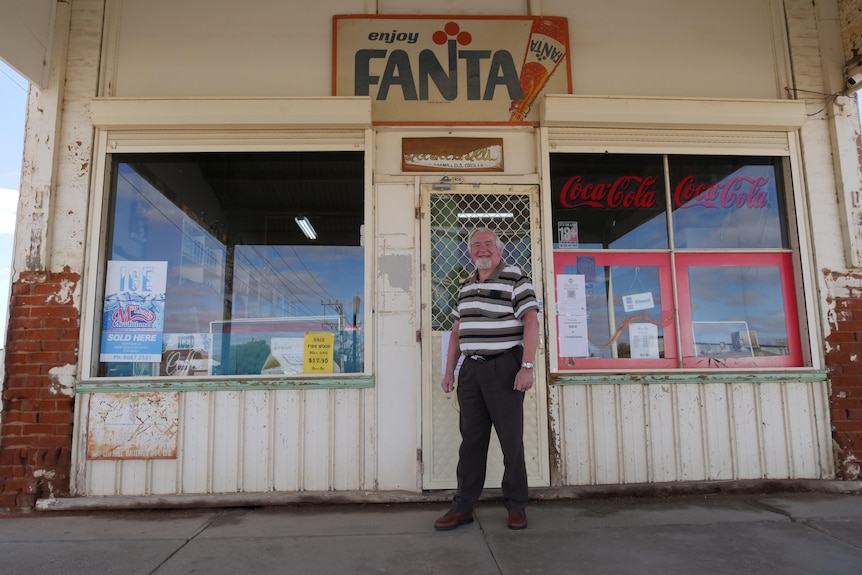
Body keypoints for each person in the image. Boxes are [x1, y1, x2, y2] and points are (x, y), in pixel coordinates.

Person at [434, 227, 540, 531]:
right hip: (471, 371)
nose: (482, 249)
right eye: (476, 245)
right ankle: (463, 507)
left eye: (488, 244)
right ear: (470, 252)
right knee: (471, 443)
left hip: (505, 368)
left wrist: (527, 366)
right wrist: (449, 372)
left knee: (511, 442)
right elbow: (457, 332)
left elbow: (531, 321)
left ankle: (516, 506)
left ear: (499, 250)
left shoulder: (517, 279)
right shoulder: (464, 286)